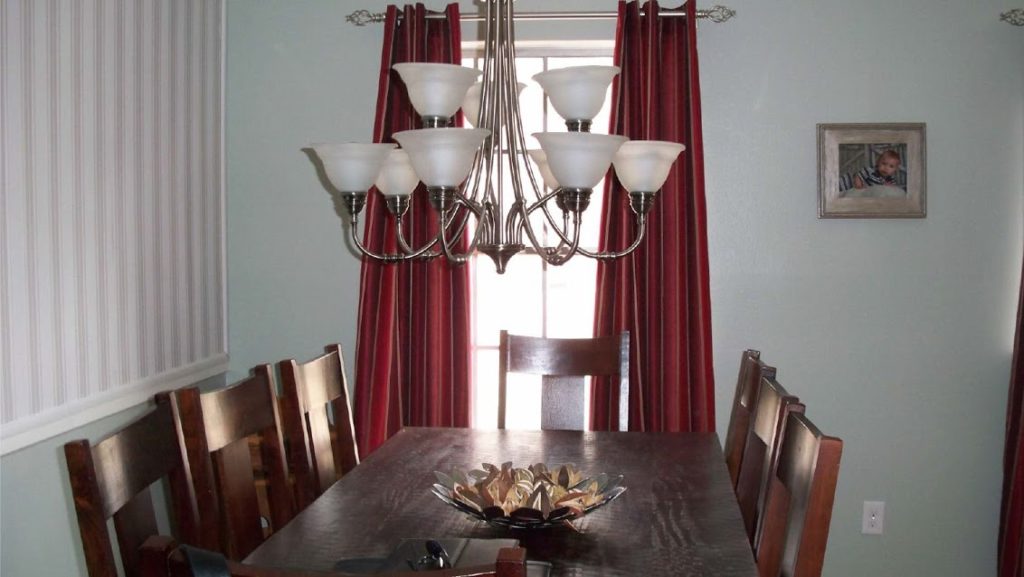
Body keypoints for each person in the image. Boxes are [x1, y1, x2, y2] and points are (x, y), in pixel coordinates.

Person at [839, 149, 903, 192]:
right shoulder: (870, 170)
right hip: (848, 181)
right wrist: (859, 186)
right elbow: (858, 176)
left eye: (891, 166)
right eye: (884, 164)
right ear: (878, 162)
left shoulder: (891, 179)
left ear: (895, 169)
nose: (886, 168)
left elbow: (893, 189)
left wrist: (889, 187)